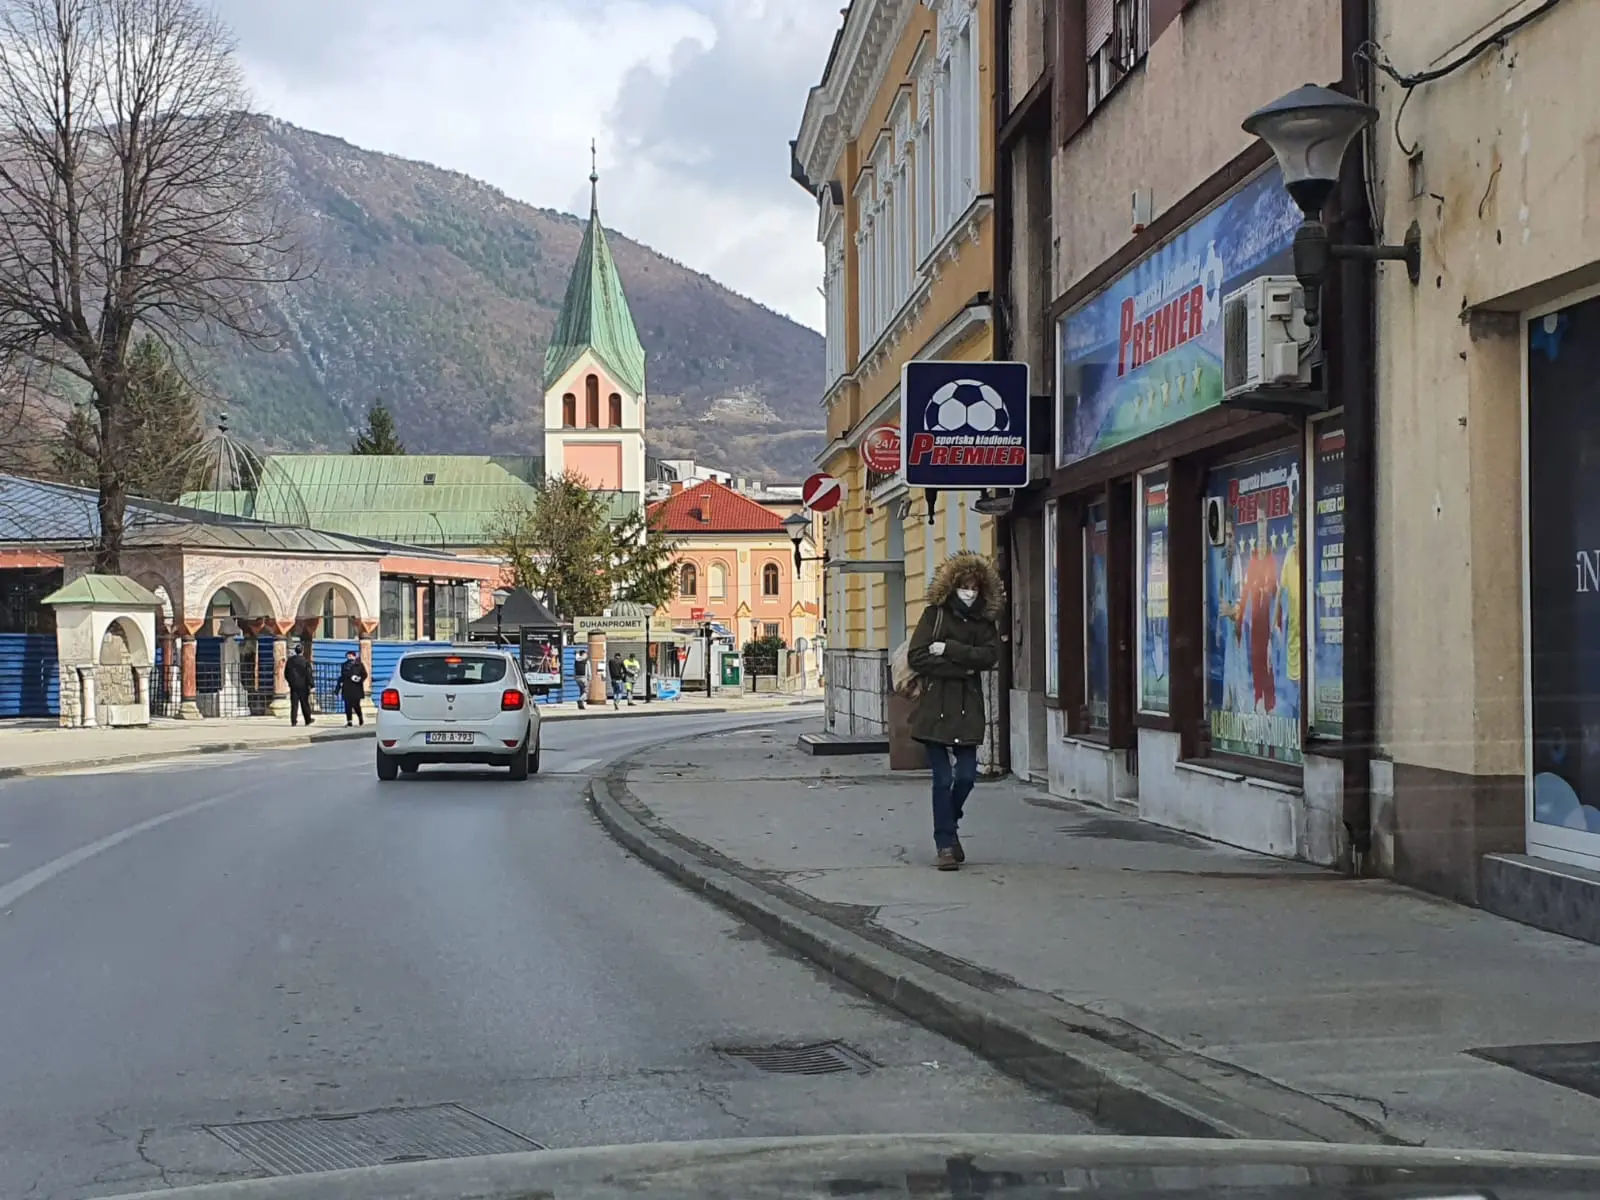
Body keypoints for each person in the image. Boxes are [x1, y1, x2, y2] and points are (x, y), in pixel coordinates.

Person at [906, 552, 1002, 871]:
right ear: (952, 587)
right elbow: (918, 656)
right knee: (942, 778)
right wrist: (964, 666)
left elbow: (989, 656)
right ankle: (944, 845)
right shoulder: (934, 615)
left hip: (967, 708)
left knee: (966, 777)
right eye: (964, 587)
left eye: (974, 588)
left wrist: (949, 649)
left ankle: (950, 821)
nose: (969, 593)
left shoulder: (983, 622)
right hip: (935, 707)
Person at [284, 643, 314, 727]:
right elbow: (309, 674)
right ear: (302, 651)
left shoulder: (290, 661)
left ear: (295, 651)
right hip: (303, 686)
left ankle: (293, 721)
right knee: (305, 703)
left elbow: (286, 673)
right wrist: (312, 685)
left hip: (294, 686)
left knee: (294, 704)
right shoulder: (305, 661)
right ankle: (307, 720)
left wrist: (290, 682)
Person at [337, 649, 369, 727]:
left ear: (354, 656)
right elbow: (343, 675)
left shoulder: (359, 665)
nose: (349, 657)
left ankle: (360, 718)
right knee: (347, 705)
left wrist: (359, 678)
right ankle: (349, 721)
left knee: (356, 705)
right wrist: (338, 687)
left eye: (350, 656)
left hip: (356, 688)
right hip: (347, 688)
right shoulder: (344, 665)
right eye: (348, 656)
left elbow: (364, 674)